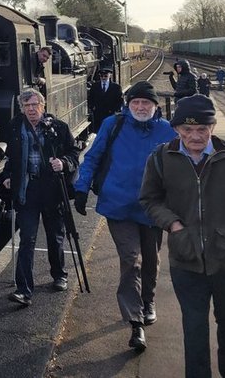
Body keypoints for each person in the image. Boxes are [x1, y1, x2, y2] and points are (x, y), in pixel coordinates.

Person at [140, 95, 225, 378]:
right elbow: (150, 200)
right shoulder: (161, 157)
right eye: (187, 130)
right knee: (195, 330)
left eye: (201, 129)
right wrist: (173, 224)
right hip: (186, 259)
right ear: (176, 129)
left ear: (212, 127)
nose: (194, 136)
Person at [73, 81, 176, 351]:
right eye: (135, 103)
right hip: (119, 205)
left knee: (151, 259)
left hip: (153, 208)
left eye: (146, 103)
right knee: (131, 259)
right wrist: (81, 188)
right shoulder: (113, 124)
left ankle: (148, 299)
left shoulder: (167, 131)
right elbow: (93, 157)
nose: (140, 107)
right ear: (128, 105)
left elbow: (183, 166)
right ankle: (136, 322)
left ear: (155, 107)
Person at [2, 88, 80, 306]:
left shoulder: (58, 128)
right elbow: (11, 158)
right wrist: (8, 176)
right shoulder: (15, 127)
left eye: (35, 105)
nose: (31, 109)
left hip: (53, 190)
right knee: (27, 239)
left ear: (43, 106)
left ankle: (59, 275)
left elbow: (74, 153)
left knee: (55, 235)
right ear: (22, 108)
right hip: (28, 191)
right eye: (27, 106)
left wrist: (63, 163)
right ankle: (23, 290)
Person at [87, 68, 124, 134]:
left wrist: (115, 110)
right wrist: (92, 107)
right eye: (101, 76)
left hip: (111, 114)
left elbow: (120, 101)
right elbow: (90, 98)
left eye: (105, 76)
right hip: (98, 115)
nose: (103, 78)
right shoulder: (95, 86)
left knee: (110, 133)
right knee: (99, 133)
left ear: (110, 75)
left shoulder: (116, 87)